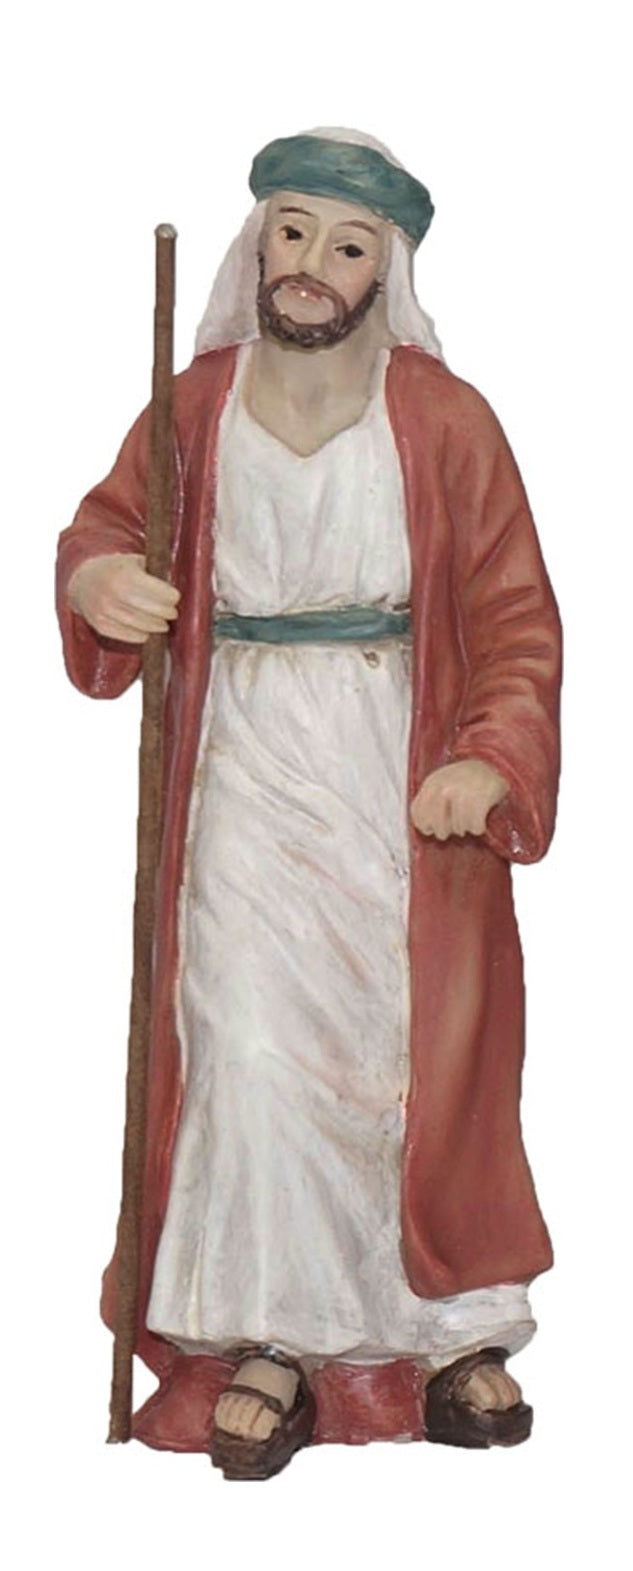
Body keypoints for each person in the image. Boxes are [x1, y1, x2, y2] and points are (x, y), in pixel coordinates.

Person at [56, 127, 561, 1479]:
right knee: (250, 1044)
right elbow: (106, 527)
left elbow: (515, 614)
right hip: (240, 765)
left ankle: (443, 1335)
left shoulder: (445, 418)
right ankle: (272, 1337)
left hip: (395, 768)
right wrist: (101, 583)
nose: (311, 263)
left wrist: (489, 756)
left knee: (406, 1056)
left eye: (346, 244)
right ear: (258, 243)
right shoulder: (196, 404)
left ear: (383, 269)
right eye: (291, 231)